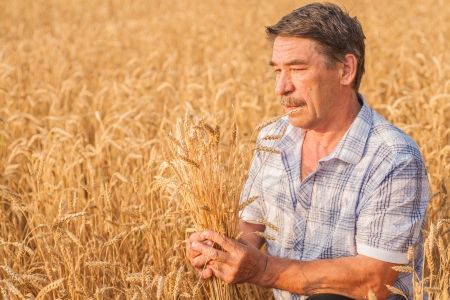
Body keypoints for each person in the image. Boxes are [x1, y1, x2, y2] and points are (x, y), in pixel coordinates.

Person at [186, 3, 429, 300]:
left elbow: (374, 282)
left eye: (297, 69)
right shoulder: (272, 137)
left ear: (345, 70)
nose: (280, 87)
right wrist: (218, 250)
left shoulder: (393, 157)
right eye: (277, 70)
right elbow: (249, 228)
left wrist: (264, 270)